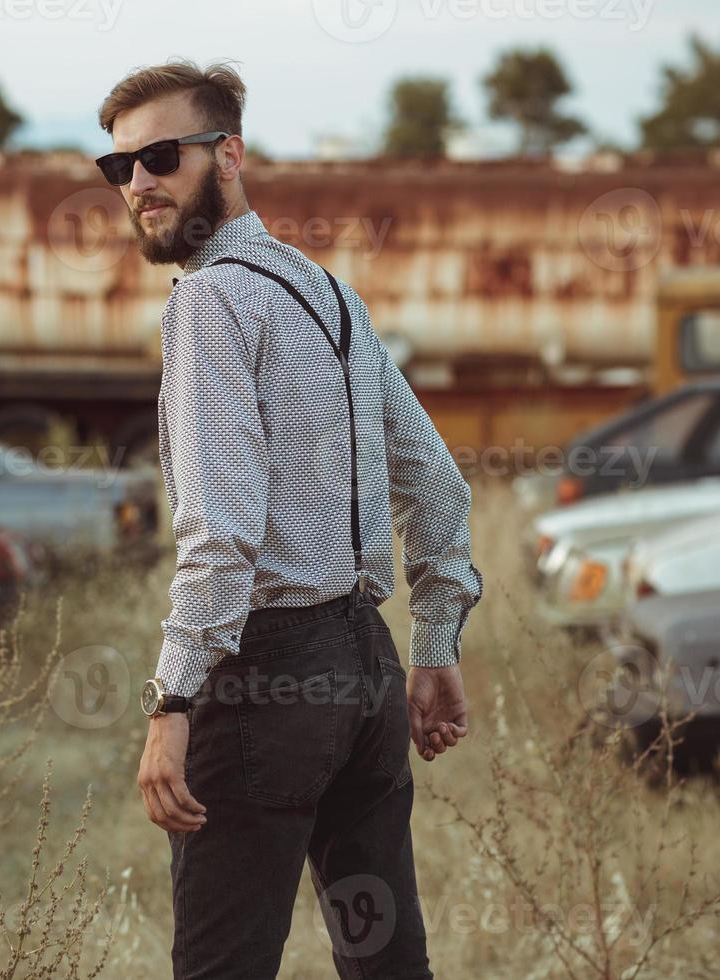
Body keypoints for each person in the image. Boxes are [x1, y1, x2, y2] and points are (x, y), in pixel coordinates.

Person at [96, 59, 485, 979]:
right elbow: (437, 483)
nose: (141, 184)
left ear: (227, 153)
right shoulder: (327, 292)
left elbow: (222, 532)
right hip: (365, 681)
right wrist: (432, 647)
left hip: (265, 686)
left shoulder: (210, 298)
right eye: (120, 168)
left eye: (161, 156)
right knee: (386, 963)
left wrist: (175, 701)